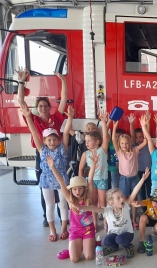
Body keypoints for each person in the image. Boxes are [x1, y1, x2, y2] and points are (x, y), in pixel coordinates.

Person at [17, 68, 67, 227]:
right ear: (37, 108)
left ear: (49, 107)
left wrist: (63, 81)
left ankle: (62, 214)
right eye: (40, 106)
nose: (43, 108)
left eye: (45, 105)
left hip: (58, 154)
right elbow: (21, 102)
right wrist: (21, 82)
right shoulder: (34, 120)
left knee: (60, 184)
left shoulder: (56, 118)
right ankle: (47, 216)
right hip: (42, 154)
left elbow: (64, 99)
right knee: (44, 184)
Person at [20, 104, 72, 242]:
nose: (52, 141)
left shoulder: (62, 149)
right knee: (49, 205)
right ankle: (52, 230)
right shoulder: (42, 150)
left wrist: (70, 118)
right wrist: (28, 117)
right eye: (49, 139)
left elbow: (66, 133)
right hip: (46, 181)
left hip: (61, 180)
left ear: (58, 140)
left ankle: (64, 228)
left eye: (54, 139)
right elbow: (33, 131)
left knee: (63, 204)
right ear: (44, 141)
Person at [79, 169, 149, 259]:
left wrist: (143, 179)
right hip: (115, 234)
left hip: (127, 234)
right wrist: (82, 208)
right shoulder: (107, 210)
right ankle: (114, 247)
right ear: (111, 202)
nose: (122, 199)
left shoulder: (126, 206)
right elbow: (94, 208)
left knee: (120, 239)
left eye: (122, 197)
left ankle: (129, 247)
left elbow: (134, 191)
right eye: (118, 198)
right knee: (106, 241)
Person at [47, 151, 97, 262]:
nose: (77, 191)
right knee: (74, 259)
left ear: (84, 189)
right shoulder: (70, 199)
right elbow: (61, 182)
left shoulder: (88, 197)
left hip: (88, 230)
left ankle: (90, 243)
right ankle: (75, 248)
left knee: (89, 256)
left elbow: (90, 179)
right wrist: (53, 167)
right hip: (75, 231)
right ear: (71, 190)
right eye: (74, 189)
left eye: (80, 188)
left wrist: (93, 165)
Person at [78, 111, 110, 231]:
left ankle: (106, 221)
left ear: (97, 141)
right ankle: (95, 222)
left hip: (102, 180)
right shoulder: (85, 154)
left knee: (103, 203)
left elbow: (106, 137)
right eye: (85, 141)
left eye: (89, 141)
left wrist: (103, 121)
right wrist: (81, 182)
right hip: (91, 181)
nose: (86, 143)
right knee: (93, 202)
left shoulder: (103, 150)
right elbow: (80, 169)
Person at [112, 120, 146, 201]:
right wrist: (114, 127)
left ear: (130, 143)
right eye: (122, 143)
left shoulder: (134, 150)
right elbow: (113, 139)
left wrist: (144, 127)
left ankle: (134, 214)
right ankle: (125, 213)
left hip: (135, 177)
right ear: (119, 144)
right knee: (124, 197)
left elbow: (145, 142)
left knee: (134, 197)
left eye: (126, 143)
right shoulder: (119, 153)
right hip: (124, 179)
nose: (124, 145)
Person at [129, 112, 152, 229]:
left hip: (149, 171)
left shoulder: (147, 144)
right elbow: (132, 136)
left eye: (140, 137)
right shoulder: (133, 147)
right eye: (136, 137)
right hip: (139, 173)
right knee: (142, 193)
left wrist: (146, 124)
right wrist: (131, 124)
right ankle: (144, 212)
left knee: (150, 192)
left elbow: (147, 136)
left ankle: (150, 211)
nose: (138, 139)